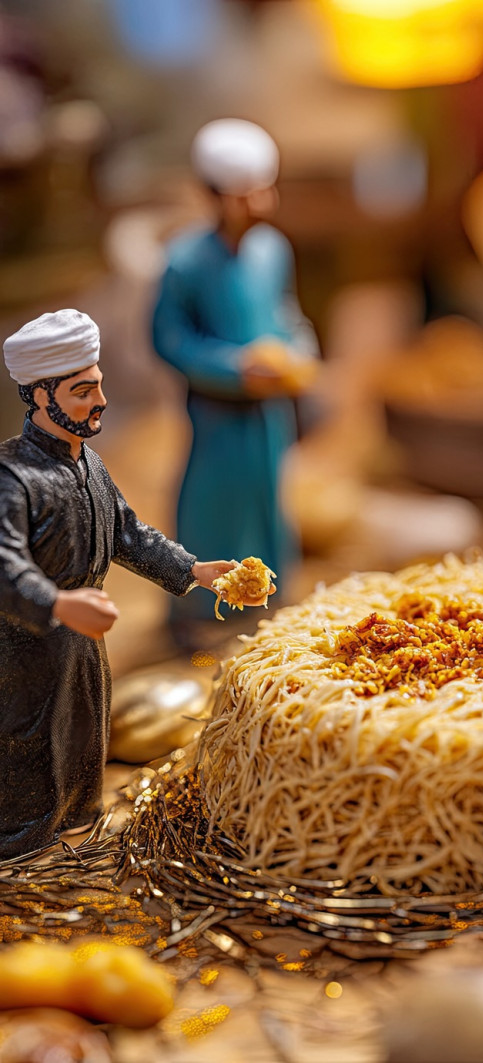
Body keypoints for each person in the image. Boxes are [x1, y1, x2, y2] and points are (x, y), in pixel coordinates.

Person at [0, 309, 269, 860]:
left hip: (83, 633)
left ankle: (76, 818)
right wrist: (56, 603)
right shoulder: (13, 478)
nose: (98, 401)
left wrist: (192, 572)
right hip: (26, 640)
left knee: (84, 728)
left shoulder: (89, 464)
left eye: (98, 387)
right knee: (27, 736)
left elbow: (128, 533)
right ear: (40, 398)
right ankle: (22, 841)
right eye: (81, 392)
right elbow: (4, 564)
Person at [151, 117, 319, 639]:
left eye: (264, 191)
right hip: (218, 410)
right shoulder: (184, 261)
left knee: (268, 495)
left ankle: (269, 597)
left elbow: (287, 314)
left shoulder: (273, 250)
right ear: (212, 195)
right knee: (212, 499)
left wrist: (299, 352)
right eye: (244, 196)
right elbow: (169, 339)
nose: (259, 205)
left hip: (270, 410)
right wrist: (233, 368)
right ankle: (202, 610)